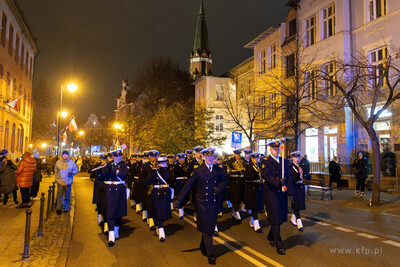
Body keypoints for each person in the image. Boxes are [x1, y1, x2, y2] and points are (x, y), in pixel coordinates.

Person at [176, 147, 228, 265]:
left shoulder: (218, 170)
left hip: (213, 202)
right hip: (202, 202)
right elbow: (188, 185)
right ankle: (211, 254)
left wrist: (219, 189)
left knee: (209, 226)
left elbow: (225, 181)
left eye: (212, 156)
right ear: (203, 157)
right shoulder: (199, 170)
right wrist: (179, 201)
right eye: (207, 156)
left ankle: (203, 246)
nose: (210, 158)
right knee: (208, 229)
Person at [261, 140, 288, 255]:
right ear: (270, 149)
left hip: (281, 192)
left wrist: (286, 186)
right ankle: (279, 244)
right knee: (275, 217)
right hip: (271, 192)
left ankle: (270, 236)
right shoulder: (265, 161)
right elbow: (266, 176)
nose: (276, 151)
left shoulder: (283, 161)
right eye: (274, 149)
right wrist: (278, 182)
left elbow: (287, 175)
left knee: (279, 216)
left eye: (277, 149)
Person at [102, 150, 129, 247]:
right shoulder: (108, 164)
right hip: (109, 189)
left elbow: (123, 174)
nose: (117, 158)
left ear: (121, 156)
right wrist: (107, 167)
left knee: (118, 212)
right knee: (110, 212)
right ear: (113, 156)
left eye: (119, 156)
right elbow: (104, 175)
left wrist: (113, 169)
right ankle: (111, 236)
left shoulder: (124, 165)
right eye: (115, 156)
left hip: (119, 190)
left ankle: (116, 231)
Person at [143, 156, 174, 242]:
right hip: (157, 193)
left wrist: (166, 171)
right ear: (159, 164)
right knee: (158, 211)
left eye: (165, 163)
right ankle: (161, 231)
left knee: (163, 212)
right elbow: (148, 182)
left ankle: (158, 226)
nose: (164, 164)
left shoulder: (168, 170)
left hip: (165, 192)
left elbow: (171, 180)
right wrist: (152, 173)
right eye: (162, 163)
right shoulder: (154, 172)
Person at [244, 152, 264, 233]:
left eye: (257, 158)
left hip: (258, 188)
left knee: (256, 206)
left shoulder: (259, 166)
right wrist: (256, 173)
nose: (256, 160)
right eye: (255, 158)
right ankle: (256, 224)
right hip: (251, 188)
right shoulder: (248, 166)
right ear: (251, 159)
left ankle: (252, 220)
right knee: (254, 206)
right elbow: (246, 177)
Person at [287, 151, 306, 232]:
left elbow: (305, 174)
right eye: (295, 157)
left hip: (300, 187)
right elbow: (290, 178)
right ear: (292, 158)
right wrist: (298, 175)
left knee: (298, 205)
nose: (297, 159)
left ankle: (293, 218)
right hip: (294, 187)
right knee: (296, 205)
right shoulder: (290, 167)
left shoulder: (301, 166)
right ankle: (299, 222)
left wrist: (305, 174)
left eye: (298, 157)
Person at [227, 149, 246, 222]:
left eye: (239, 154)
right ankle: (236, 212)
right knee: (235, 197)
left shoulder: (243, 160)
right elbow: (228, 173)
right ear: (234, 154)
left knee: (240, 197)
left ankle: (234, 212)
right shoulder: (230, 161)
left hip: (241, 181)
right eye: (237, 154)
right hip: (234, 181)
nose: (238, 155)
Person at [173, 153, 188, 219]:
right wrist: (181, 167)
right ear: (178, 159)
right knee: (179, 195)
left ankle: (183, 207)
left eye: (183, 158)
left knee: (185, 196)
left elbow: (188, 173)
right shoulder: (176, 166)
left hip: (185, 181)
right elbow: (176, 173)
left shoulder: (187, 165)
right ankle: (180, 210)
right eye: (180, 158)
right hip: (179, 181)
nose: (181, 160)